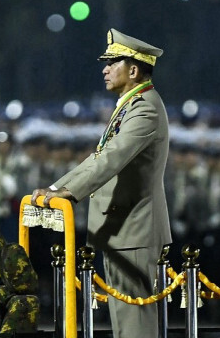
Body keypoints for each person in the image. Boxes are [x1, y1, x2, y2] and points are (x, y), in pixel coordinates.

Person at [31, 28, 172, 338]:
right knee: (123, 321)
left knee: (134, 323)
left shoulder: (145, 108)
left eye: (112, 63)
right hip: (121, 229)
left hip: (133, 229)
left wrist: (71, 193)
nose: (104, 69)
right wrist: (57, 190)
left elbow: (113, 158)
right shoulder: (130, 104)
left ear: (133, 70)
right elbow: (98, 157)